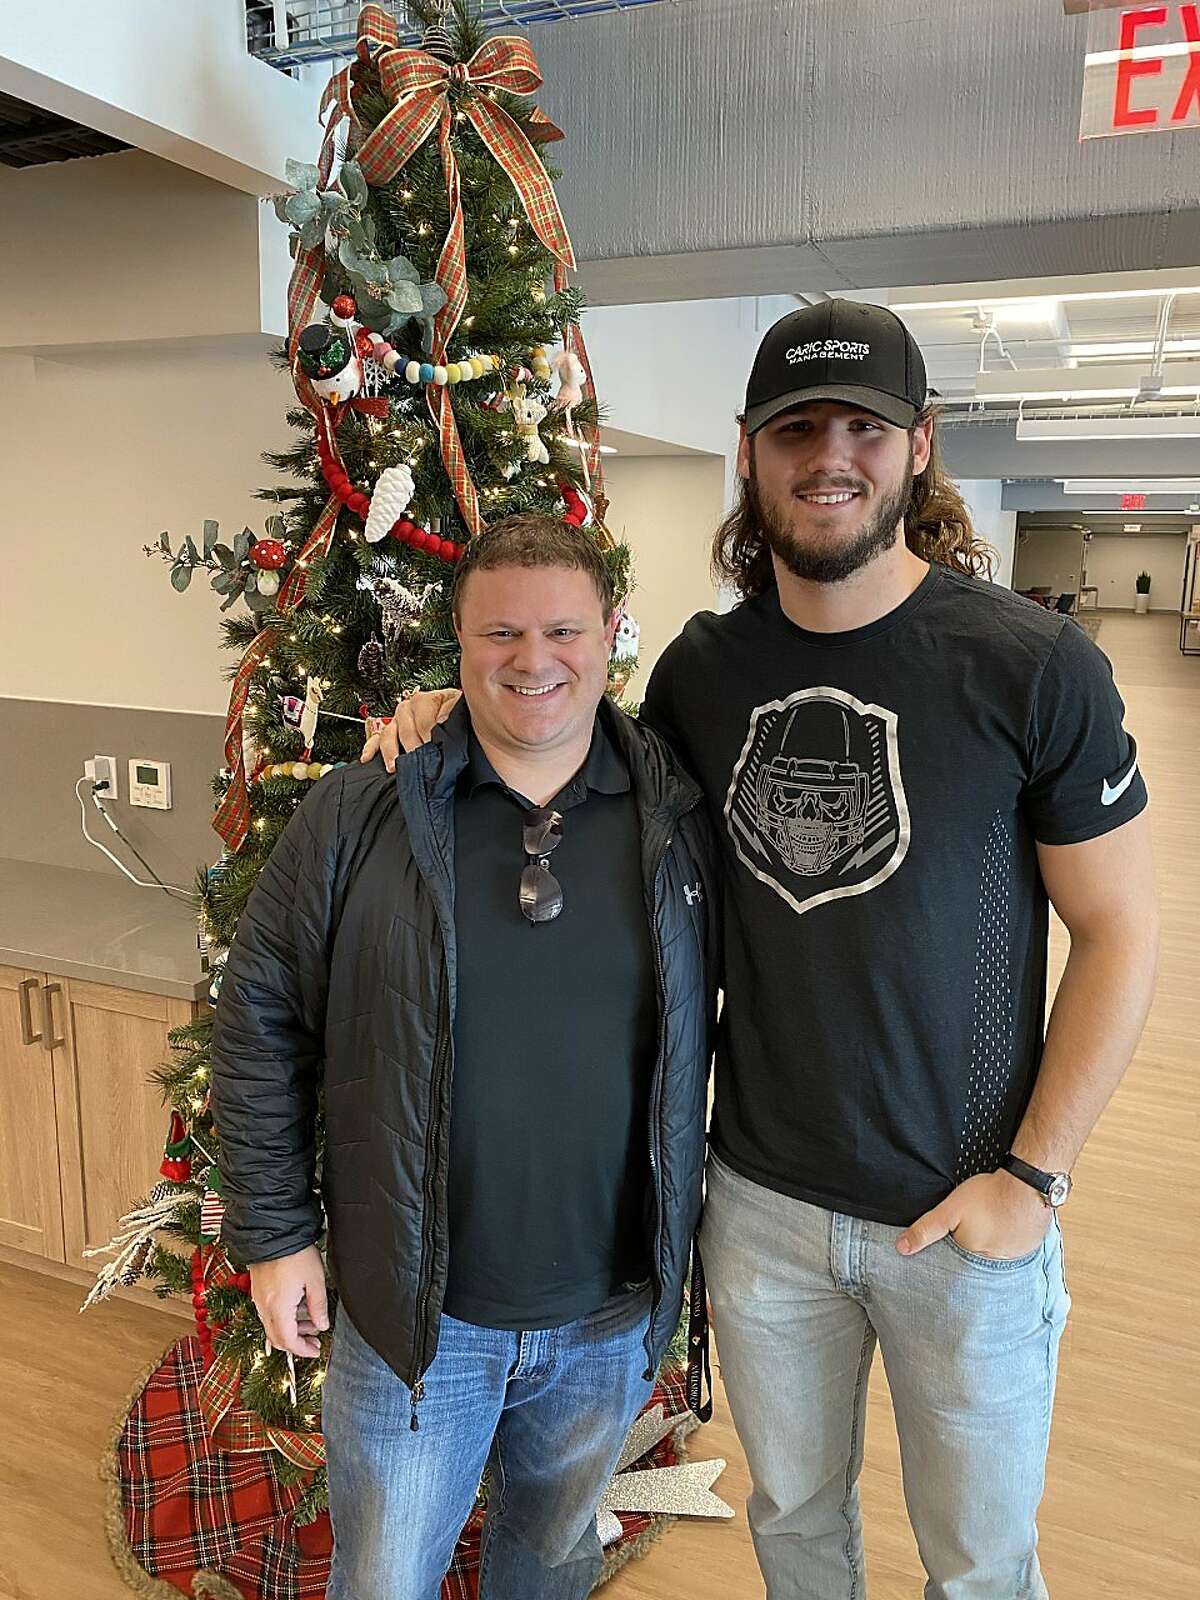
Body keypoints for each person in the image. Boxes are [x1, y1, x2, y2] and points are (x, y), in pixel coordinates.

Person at [369, 301, 1160, 1600]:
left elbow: (1122, 928)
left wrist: (1035, 1176)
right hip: (762, 1212)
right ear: (749, 449)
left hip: (961, 1220)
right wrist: (466, 710)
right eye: (799, 427)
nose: (830, 454)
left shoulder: (1032, 665)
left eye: (865, 425)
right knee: (797, 1531)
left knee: (979, 1568)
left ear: (920, 445)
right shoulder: (702, 671)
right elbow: (586, 784)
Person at [211, 513, 717, 1600]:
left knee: (548, 1563)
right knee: (384, 1580)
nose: (534, 660)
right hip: (416, 1329)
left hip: (608, 1316)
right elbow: (255, 1009)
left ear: (613, 634)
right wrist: (275, 1233)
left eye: (563, 630)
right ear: (458, 641)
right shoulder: (360, 811)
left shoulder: (679, 819)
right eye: (501, 635)